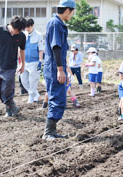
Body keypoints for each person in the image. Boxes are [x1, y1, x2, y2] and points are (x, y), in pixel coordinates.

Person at [42, 0, 76, 141]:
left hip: (55, 66)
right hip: (54, 68)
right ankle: (48, 132)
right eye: (72, 12)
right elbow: (56, 47)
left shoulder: (57, 23)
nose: (72, 15)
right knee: (57, 99)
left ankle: (52, 131)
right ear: (67, 10)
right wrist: (60, 70)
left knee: (57, 98)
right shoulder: (56, 23)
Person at [20, 18, 44, 103]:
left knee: (32, 81)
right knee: (23, 80)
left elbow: (41, 49)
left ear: (32, 26)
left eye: (29, 27)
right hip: (24, 61)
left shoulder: (38, 35)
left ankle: (31, 99)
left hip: (34, 62)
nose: (27, 29)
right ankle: (36, 95)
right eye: (26, 27)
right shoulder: (23, 34)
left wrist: (40, 61)